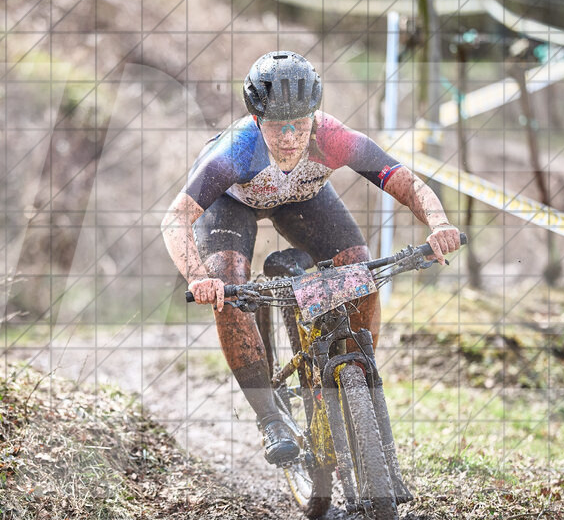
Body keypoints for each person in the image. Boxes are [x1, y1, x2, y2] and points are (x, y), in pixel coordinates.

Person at [161, 51, 462, 465]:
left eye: (299, 124)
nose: (288, 138)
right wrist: (198, 277)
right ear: (256, 120)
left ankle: (357, 368)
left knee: (358, 266)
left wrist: (439, 222)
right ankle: (270, 417)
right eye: (275, 126)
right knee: (227, 287)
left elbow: (406, 182)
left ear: (315, 117)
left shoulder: (334, 138)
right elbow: (175, 219)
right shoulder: (235, 150)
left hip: (302, 198)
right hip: (233, 208)